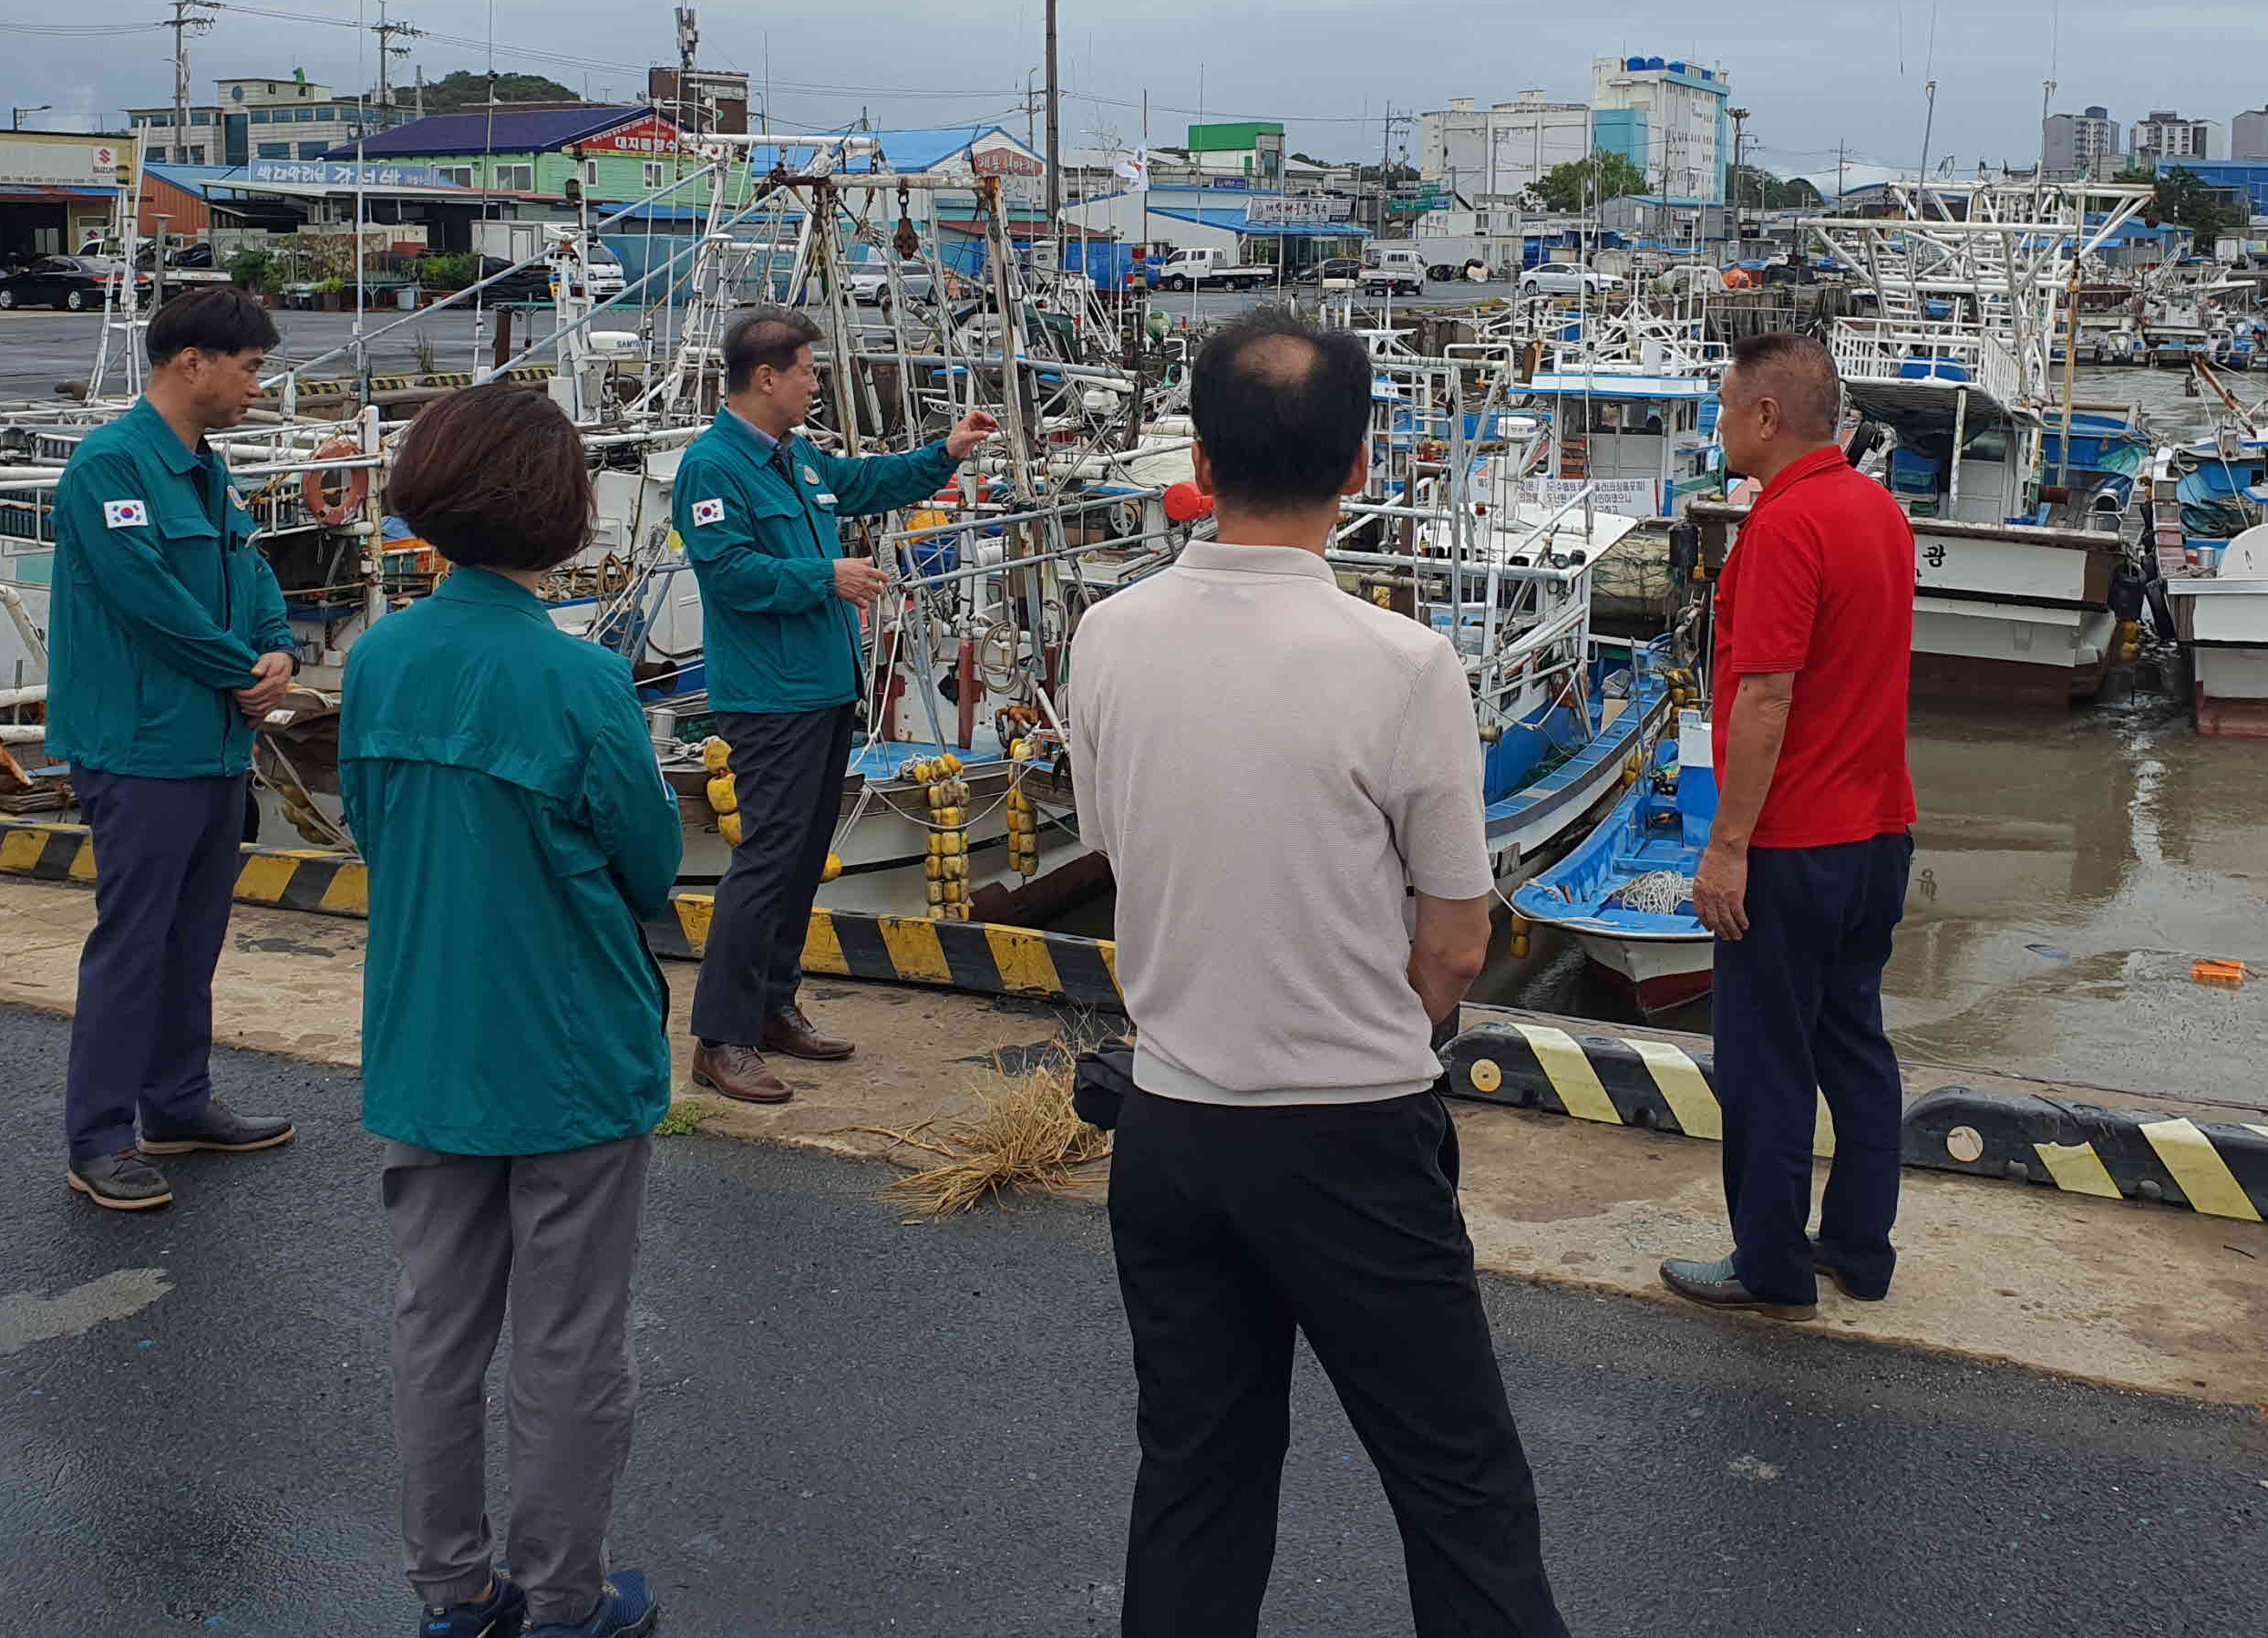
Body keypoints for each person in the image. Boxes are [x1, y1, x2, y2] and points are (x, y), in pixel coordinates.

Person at [1070, 304, 1568, 1638]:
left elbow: (1120, 848)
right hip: (1352, 1135)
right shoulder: (1403, 664)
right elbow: (1456, 936)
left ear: (1200, 452)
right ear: (1361, 468)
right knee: (1458, 1486)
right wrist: (1361, 1026)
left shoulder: (1107, 637)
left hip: (1169, 1127)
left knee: (1197, 1479)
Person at [342, 385, 681, 1638]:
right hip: (570, 1045)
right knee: (570, 1342)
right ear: (560, 515)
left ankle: (451, 1588)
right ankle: (564, 1594)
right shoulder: (583, 681)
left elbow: (376, 831)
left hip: (425, 1035)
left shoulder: (376, 661)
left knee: (434, 1328)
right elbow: (648, 864)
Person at [673, 305, 997, 1105]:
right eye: (809, 370)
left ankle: (775, 1006)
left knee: (799, 860)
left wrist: (944, 452)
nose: (818, 381)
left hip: (823, 688)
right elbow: (732, 575)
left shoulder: (794, 457)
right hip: (770, 698)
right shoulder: (712, 468)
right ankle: (721, 1037)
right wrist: (830, 578)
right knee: (764, 863)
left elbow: (861, 483)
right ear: (766, 377)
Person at [1662, 330, 1917, 1321]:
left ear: (1766, 416)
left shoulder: (1781, 525)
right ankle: (1859, 1250)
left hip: (1794, 843)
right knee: (1854, 1045)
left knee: (1765, 1063)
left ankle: (1767, 1267)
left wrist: (1726, 847)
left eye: (1726, 409)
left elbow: (1763, 696)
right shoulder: (1879, 514)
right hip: (1879, 833)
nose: (1720, 426)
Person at [46, 285, 302, 1211]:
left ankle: (178, 1105)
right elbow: (145, 599)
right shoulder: (110, 468)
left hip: (211, 745)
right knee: (134, 946)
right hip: (140, 745)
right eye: (250, 367)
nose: (257, 387)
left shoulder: (207, 467)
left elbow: (251, 566)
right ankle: (99, 1138)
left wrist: (280, 647)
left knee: (192, 942)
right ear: (190, 362)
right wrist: (245, 668)